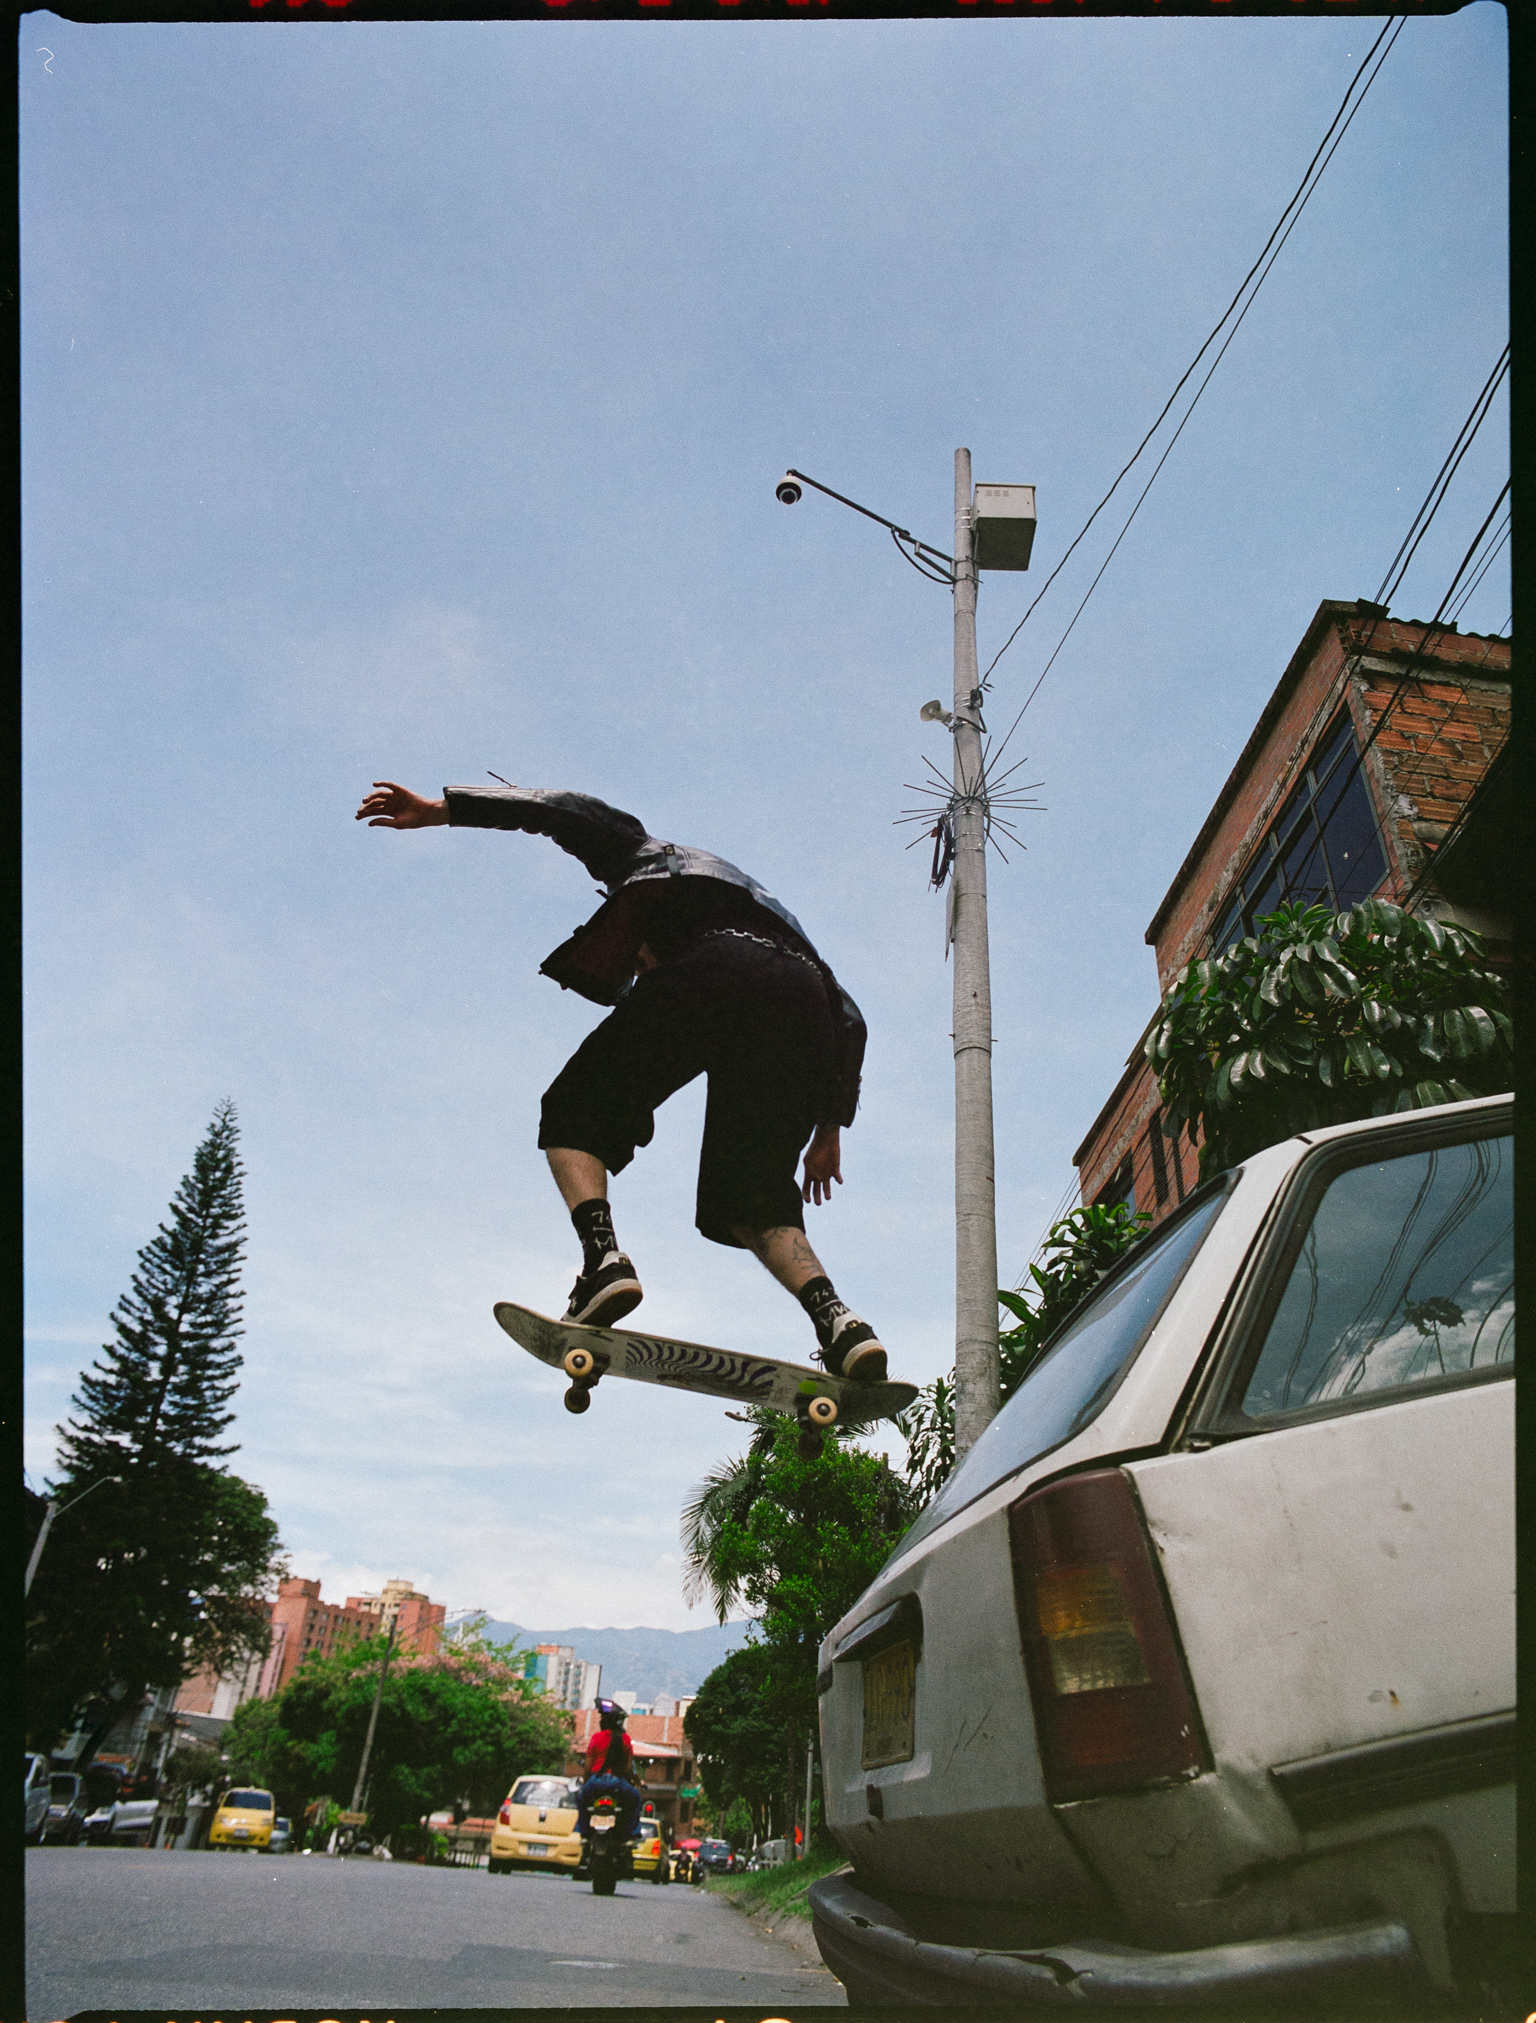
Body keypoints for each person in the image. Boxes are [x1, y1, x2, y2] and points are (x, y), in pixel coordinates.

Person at [356, 776, 891, 1381]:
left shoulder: (645, 856)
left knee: (574, 1109)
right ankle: (841, 1324)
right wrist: (829, 1129)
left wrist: (441, 811)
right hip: (805, 1004)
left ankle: (603, 1262)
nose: (641, 970)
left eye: (639, 966)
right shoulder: (779, 922)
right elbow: (851, 1019)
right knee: (754, 1197)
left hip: (717, 967)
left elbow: (562, 812)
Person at [573, 1699, 642, 1843]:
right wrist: (634, 1781)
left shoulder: (596, 1738)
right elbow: (629, 1769)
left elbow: (588, 1766)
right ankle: (631, 1834)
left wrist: (586, 1784)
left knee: (579, 1798)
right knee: (636, 1798)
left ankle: (584, 1832)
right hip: (618, 1782)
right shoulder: (625, 1740)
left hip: (596, 1781)